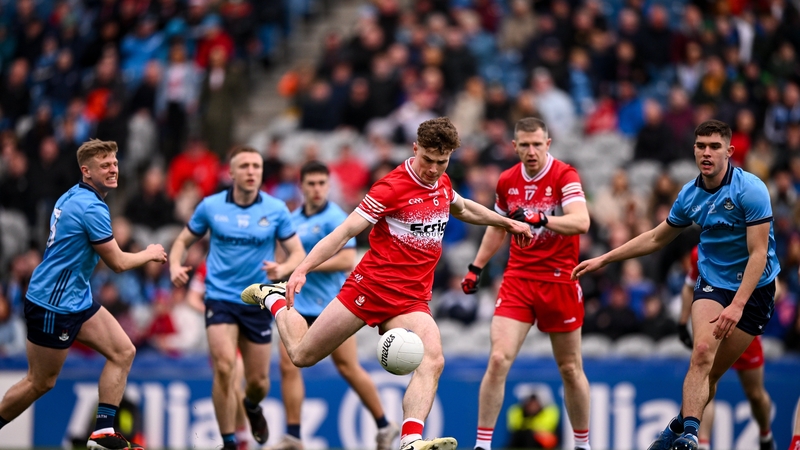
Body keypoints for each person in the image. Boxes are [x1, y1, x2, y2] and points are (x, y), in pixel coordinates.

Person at [241, 117, 533, 450]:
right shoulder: (390, 187)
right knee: (302, 355)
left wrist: (507, 223)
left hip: (412, 300)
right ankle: (276, 300)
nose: (433, 169)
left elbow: (464, 208)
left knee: (434, 359)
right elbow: (345, 232)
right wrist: (302, 268)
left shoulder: (443, 183)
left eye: (442, 161)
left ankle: (410, 439)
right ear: (414, 148)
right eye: (428, 159)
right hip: (370, 289)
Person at [573, 120, 780, 450]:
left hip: (754, 291)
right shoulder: (689, 195)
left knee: (711, 376)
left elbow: (758, 254)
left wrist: (738, 305)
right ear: (694, 150)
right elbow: (656, 238)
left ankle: (676, 426)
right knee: (700, 354)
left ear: (729, 151)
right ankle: (690, 436)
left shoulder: (750, 189)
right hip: (713, 283)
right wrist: (605, 259)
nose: (706, 153)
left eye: (714, 147)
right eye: (701, 146)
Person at [0, 139, 168, 450]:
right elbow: (117, 263)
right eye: (105, 165)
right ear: (86, 171)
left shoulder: (74, 195)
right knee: (40, 382)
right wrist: (149, 253)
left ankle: (103, 433)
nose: (113, 169)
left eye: (115, 163)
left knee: (123, 352)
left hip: (75, 298)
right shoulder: (91, 207)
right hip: (53, 304)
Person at [460, 117, 592, 450]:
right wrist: (476, 266)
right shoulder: (507, 181)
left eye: (537, 144)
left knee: (570, 368)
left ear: (548, 144)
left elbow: (582, 221)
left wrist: (542, 218)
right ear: (514, 146)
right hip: (519, 278)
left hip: (559, 279)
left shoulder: (565, 175)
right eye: (525, 145)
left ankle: (582, 444)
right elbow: (497, 226)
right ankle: (482, 444)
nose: (531, 151)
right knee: (497, 359)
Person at [169, 145, 306, 450]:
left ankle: (252, 406)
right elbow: (182, 240)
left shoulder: (276, 209)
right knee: (224, 368)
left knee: (258, 382)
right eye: (244, 166)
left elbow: (298, 252)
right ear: (230, 173)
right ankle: (229, 441)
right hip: (219, 298)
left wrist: (282, 267)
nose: (251, 172)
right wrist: (175, 265)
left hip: (257, 299)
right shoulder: (210, 206)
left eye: (256, 166)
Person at [268, 161, 400, 450]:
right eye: (311, 184)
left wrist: (305, 266)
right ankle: (293, 435)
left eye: (321, 183)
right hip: (298, 303)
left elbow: (345, 260)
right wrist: (280, 268)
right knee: (288, 365)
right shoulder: (292, 219)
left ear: (328, 186)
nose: (316, 189)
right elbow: (285, 256)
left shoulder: (336, 216)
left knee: (348, 367)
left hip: (333, 305)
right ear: (301, 186)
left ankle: (384, 424)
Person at [679, 246, 775, 450]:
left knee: (755, 394)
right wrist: (682, 322)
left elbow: (774, 282)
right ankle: (700, 441)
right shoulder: (700, 251)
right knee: (706, 379)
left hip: (743, 325)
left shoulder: (754, 244)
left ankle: (765, 434)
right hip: (713, 324)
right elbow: (689, 287)